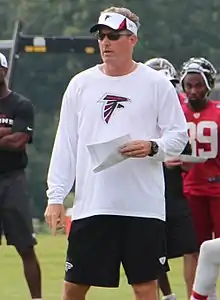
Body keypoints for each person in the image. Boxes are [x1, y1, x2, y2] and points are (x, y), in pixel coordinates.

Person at [45, 7, 188, 300]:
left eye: (113, 36)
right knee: (73, 286)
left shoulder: (157, 84)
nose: (105, 43)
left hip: (142, 206)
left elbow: (179, 136)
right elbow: (66, 144)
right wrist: (56, 196)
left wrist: (152, 146)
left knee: (145, 287)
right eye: (101, 36)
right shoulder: (80, 84)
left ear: (132, 39)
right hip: (93, 204)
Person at [145, 58, 198, 300]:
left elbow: (189, 147)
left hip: (178, 186)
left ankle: (194, 296)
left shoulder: (180, 110)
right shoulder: (139, 112)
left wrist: (184, 159)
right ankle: (167, 296)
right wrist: (159, 155)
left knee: (191, 245)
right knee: (154, 248)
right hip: (149, 185)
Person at [0, 53, 42, 300]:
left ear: (4, 71)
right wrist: (5, 131)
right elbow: (10, 136)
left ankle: (36, 298)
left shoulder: (21, 105)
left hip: (12, 179)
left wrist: (12, 134)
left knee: (25, 246)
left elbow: (19, 141)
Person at [180, 57, 219, 300]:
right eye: (189, 85)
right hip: (190, 189)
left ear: (209, 85)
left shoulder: (217, 112)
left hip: (218, 189)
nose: (193, 90)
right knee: (194, 251)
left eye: (199, 85)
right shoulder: (176, 112)